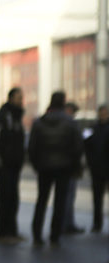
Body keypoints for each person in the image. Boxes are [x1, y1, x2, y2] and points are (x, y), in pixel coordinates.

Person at [28, 91, 84, 246]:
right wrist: (74, 165)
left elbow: (32, 148)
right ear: (63, 103)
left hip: (44, 167)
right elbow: (78, 146)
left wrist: (36, 164)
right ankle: (55, 235)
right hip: (64, 168)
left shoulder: (39, 122)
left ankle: (37, 233)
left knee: (42, 200)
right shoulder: (70, 122)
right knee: (60, 202)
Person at [0, 87, 27, 244]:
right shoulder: (4, 116)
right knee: (5, 197)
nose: (20, 101)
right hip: (4, 165)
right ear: (10, 99)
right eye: (18, 97)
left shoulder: (16, 117)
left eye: (21, 98)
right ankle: (3, 232)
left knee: (13, 197)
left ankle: (12, 231)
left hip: (14, 165)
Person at [85, 105, 109, 233]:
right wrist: (90, 162)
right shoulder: (92, 128)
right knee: (97, 198)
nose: (103, 115)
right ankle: (97, 223)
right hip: (96, 168)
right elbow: (85, 143)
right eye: (102, 113)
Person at [62, 102, 84, 234]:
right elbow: (77, 146)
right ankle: (66, 224)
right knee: (67, 197)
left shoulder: (65, 123)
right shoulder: (70, 124)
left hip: (65, 164)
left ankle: (67, 223)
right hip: (69, 165)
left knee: (68, 196)